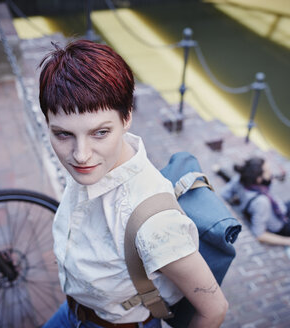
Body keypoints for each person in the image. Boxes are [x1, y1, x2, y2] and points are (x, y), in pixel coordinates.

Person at [39, 40, 228, 328]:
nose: (80, 154)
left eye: (100, 132)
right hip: (73, 312)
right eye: (63, 134)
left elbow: (214, 309)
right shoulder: (93, 165)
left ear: (127, 117)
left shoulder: (155, 224)